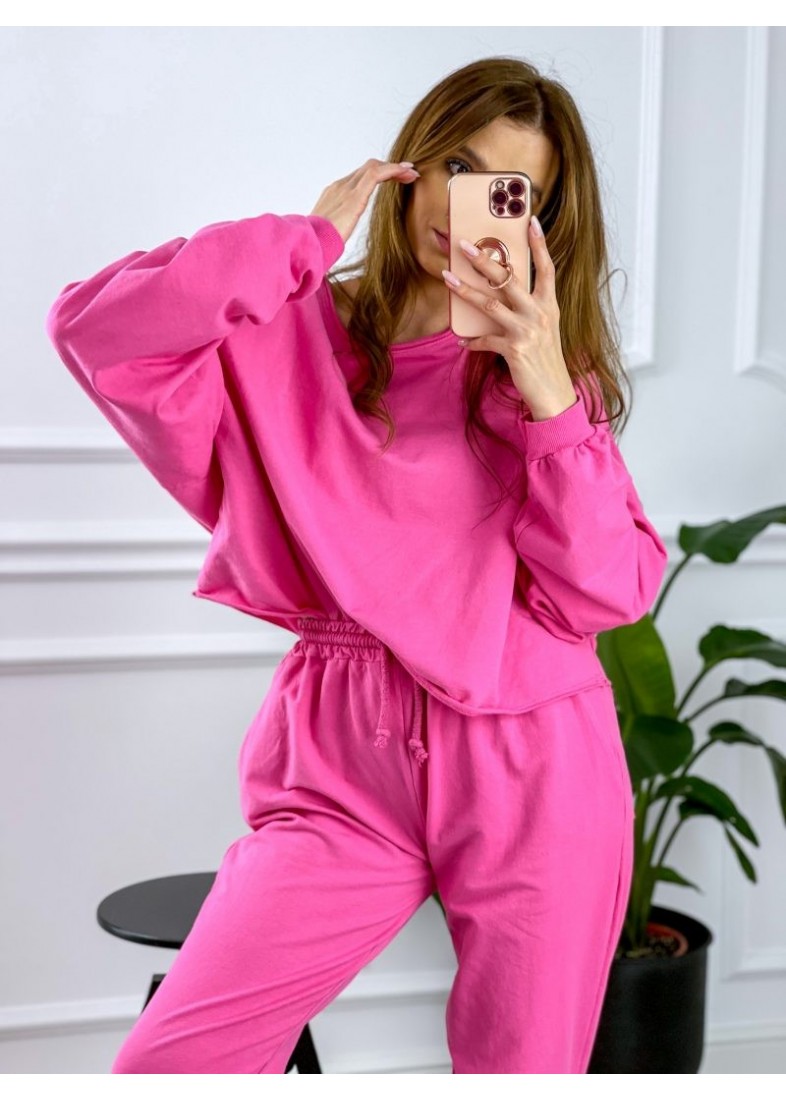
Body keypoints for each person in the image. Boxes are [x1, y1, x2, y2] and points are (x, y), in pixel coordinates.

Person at [45, 55, 668, 1074]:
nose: (467, 207)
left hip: (532, 756)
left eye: (508, 189)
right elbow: (95, 331)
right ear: (412, 162)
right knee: (173, 1064)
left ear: (537, 222)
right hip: (342, 756)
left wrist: (547, 383)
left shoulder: (539, 377)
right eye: (457, 165)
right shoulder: (294, 327)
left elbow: (608, 590)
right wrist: (303, 240)